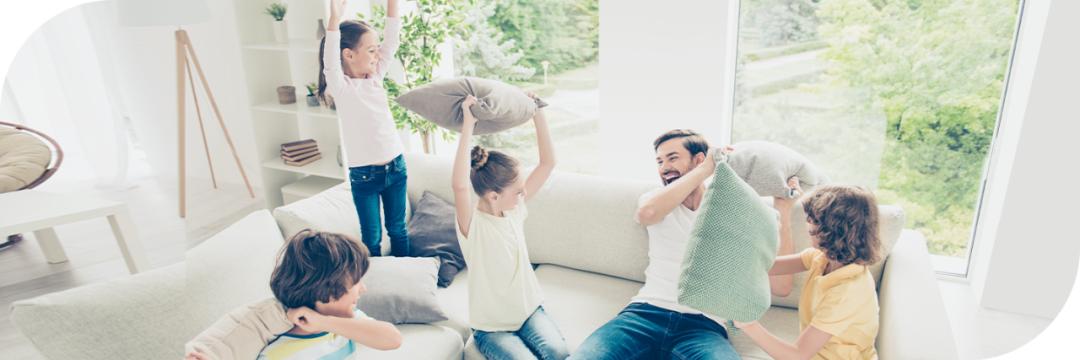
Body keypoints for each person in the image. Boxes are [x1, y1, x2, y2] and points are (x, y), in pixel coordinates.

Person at [570, 129, 797, 359]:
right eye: (659, 161)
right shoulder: (655, 199)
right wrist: (708, 168)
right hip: (644, 315)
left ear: (699, 159)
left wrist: (784, 211)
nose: (664, 167)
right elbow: (647, 213)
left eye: (673, 158)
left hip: (704, 328)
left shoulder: (735, 212)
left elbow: (781, 287)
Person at [451, 94, 569, 359]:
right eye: (517, 190)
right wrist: (468, 125)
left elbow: (548, 163)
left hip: (529, 313)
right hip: (492, 328)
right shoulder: (473, 226)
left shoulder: (514, 210)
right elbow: (459, 185)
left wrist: (537, 113)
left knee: (559, 353)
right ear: (493, 195)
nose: (523, 193)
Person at [734, 185, 882, 360]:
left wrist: (748, 325)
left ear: (832, 231)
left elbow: (798, 355)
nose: (807, 224)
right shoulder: (822, 258)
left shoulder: (846, 291)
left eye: (813, 220)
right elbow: (767, 266)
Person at [319, 0, 407, 256]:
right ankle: (376, 285)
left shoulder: (375, 76)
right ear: (348, 54)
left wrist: (392, 4)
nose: (377, 54)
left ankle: (406, 278)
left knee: (398, 229)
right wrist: (334, 21)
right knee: (372, 236)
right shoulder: (341, 87)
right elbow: (330, 62)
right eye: (370, 50)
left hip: (397, 167)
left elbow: (392, 42)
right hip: (365, 176)